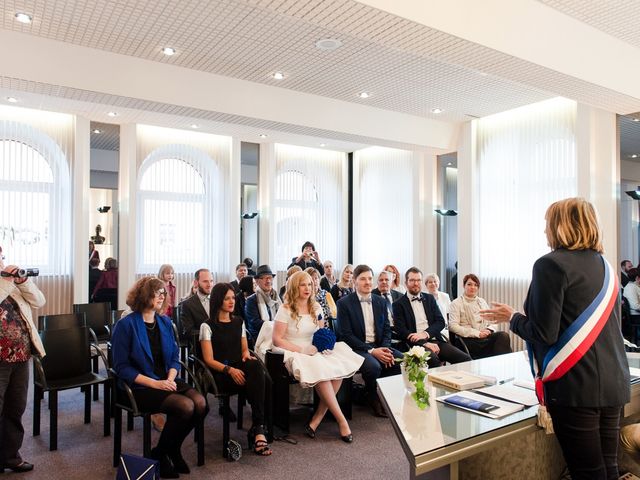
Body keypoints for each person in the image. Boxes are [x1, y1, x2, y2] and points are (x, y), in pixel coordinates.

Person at [480, 197, 630, 480]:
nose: (545, 231)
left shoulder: (550, 265)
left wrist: (512, 317)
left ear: (561, 226)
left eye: (548, 223)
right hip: (614, 382)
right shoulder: (606, 267)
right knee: (609, 468)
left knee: (587, 473)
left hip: (576, 389)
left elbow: (542, 332)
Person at [111, 277, 207, 478]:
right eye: (158, 293)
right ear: (145, 295)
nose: (163, 296)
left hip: (165, 379)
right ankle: (162, 454)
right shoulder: (126, 325)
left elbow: (174, 357)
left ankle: (167, 449)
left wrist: (171, 378)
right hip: (139, 386)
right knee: (185, 406)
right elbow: (121, 367)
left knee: (200, 403)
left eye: (164, 293)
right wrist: (156, 383)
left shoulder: (164, 321)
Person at [272, 271, 362, 442]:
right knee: (322, 372)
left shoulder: (316, 307)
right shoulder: (285, 309)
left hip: (314, 349)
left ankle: (317, 418)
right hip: (294, 350)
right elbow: (277, 339)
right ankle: (342, 421)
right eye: (303, 284)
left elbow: (321, 332)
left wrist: (323, 346)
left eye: (310, 284)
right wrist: (301, 349)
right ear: (294, 287)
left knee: (338, 369)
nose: (308, 288)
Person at [199, 283, 271, 456]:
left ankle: (258, 427)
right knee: (259, 380)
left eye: (233, 298)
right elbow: (208, 360)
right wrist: (230, 370)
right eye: (227, 298)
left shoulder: (239, 321)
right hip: (219, 374)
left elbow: (244, 349)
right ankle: (259, 428)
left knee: (255, 366)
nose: (232, 301)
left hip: (238, 369)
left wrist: (246, 354)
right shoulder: (206, 326)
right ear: (218, 301)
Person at [0, 245, 45, 473]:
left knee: (15, 407)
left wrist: (22, 282)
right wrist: (7, 280)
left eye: (1, 255)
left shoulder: (10, 282)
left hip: (20, 356)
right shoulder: (3, 283)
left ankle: (10, 456)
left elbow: (39, 301)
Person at [335, 264, 401, 418]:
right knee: (373, 366)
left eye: (370, 278)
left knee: (401, 360)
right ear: (355, 281)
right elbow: (346, 335)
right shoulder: (344, 303)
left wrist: (384, 348)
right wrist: (371, 351)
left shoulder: (380, 301)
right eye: (363, 279)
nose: (367, 282)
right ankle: (372, 397)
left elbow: (386, 329)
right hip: (356, 347)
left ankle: (380, 394)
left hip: (379, 345)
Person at [393, 267, 470, 367]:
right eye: (412, 280)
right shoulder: (398, 304)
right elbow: (401, 330)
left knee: (465, 359)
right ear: (406, 282)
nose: (416, 283)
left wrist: (425, 334)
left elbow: (440, 321)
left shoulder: (429, 298)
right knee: (434, 361)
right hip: (415, 344)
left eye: (418, 280)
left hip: (435, 339)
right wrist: (424, 343)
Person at [448, 273, 512, 358]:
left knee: (503, 336)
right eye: (469, 284)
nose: (472, 287)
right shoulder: (456, 303)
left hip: (484, 336)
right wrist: (477, 333)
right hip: (468, 339)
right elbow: (453, 326)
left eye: (475, 285)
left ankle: (502, 365)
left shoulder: (482, 301)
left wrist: (488, 330)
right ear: (464, 286)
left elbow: (493, 320)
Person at [245, 265, 281, 341]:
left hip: (277, 335)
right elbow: (255, 323)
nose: (268, 281)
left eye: (270, 278)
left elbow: (283, 316)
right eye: (264, 278)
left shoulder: (276, 297)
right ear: (257, 281)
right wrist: (278, 327)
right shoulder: (251, 300)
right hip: (260, 337)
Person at [179, 269, 214, 337]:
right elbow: (189, 331)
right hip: (199, 344)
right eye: (205, 281)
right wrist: (209, 334)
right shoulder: (187, 304)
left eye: (211, 281)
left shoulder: (219, 300)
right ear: (196, 283)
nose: (209, 285)